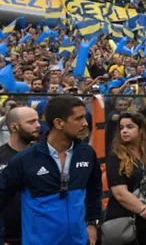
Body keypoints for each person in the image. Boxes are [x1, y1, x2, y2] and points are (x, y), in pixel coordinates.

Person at [0, 95, 102, 245]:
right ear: (59, 123)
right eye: (78, 118)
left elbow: (94, 191)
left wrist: (92, 224)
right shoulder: (24, 160)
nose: (85, 123)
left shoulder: (87, 153)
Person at [104, 112, 146, 245]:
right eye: (121, 128)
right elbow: (120, 193)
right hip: (124, 221)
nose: (124, 131)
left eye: (129, 127)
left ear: (141, 130)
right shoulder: (115, 156)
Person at [0, 107, 40, 245]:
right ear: (14, 127)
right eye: (31, 122)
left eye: (38, 120)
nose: (38, 125)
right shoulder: (1, 156)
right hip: (8, 237)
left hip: (40, 234)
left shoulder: (45, 156)